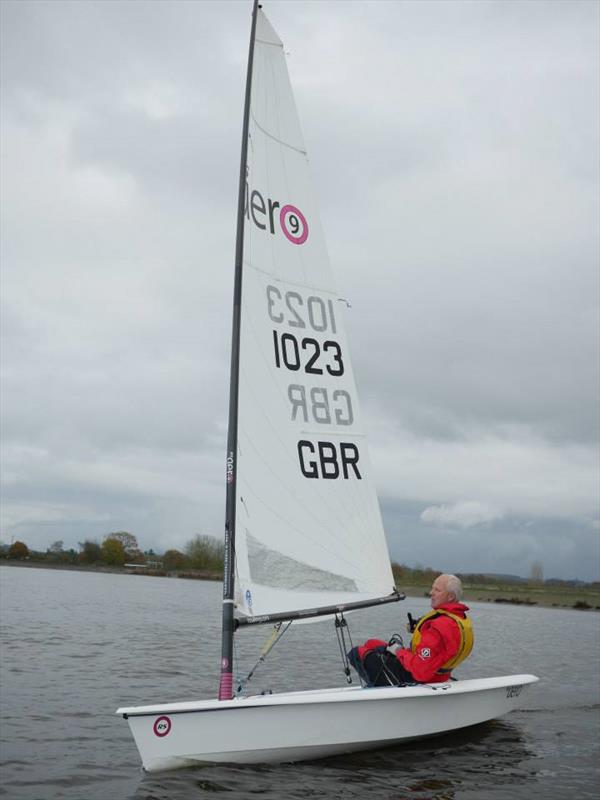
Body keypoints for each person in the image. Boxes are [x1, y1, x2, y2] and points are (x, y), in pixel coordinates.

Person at [348, 574, 473, 686]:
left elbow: (420, 671)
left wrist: (398, 651)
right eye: (432, 588)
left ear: (450, 596)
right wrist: (418, 627)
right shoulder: (458, 618)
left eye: (437, 590)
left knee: (356, 653)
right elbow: (444, 641)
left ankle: (378, 692)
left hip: (420, 677)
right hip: (437, 672)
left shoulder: (439, 627)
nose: (431, 592)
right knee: (372, 643)